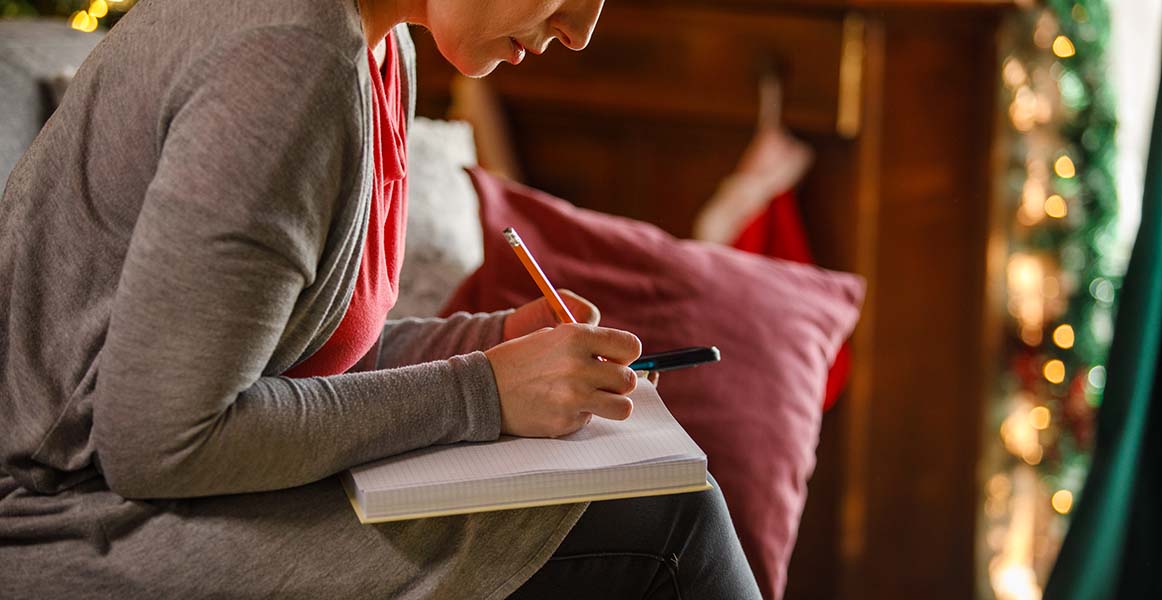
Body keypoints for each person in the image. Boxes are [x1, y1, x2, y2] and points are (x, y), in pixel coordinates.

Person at [0, 0, 763, 597]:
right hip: (69, 517)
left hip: (140, 493)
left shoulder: (380, 45)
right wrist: (481, 392)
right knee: (669, 525)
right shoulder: (289, 62)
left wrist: (489, 346)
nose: (582, 28)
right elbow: (163, 442)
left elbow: (291, 359)